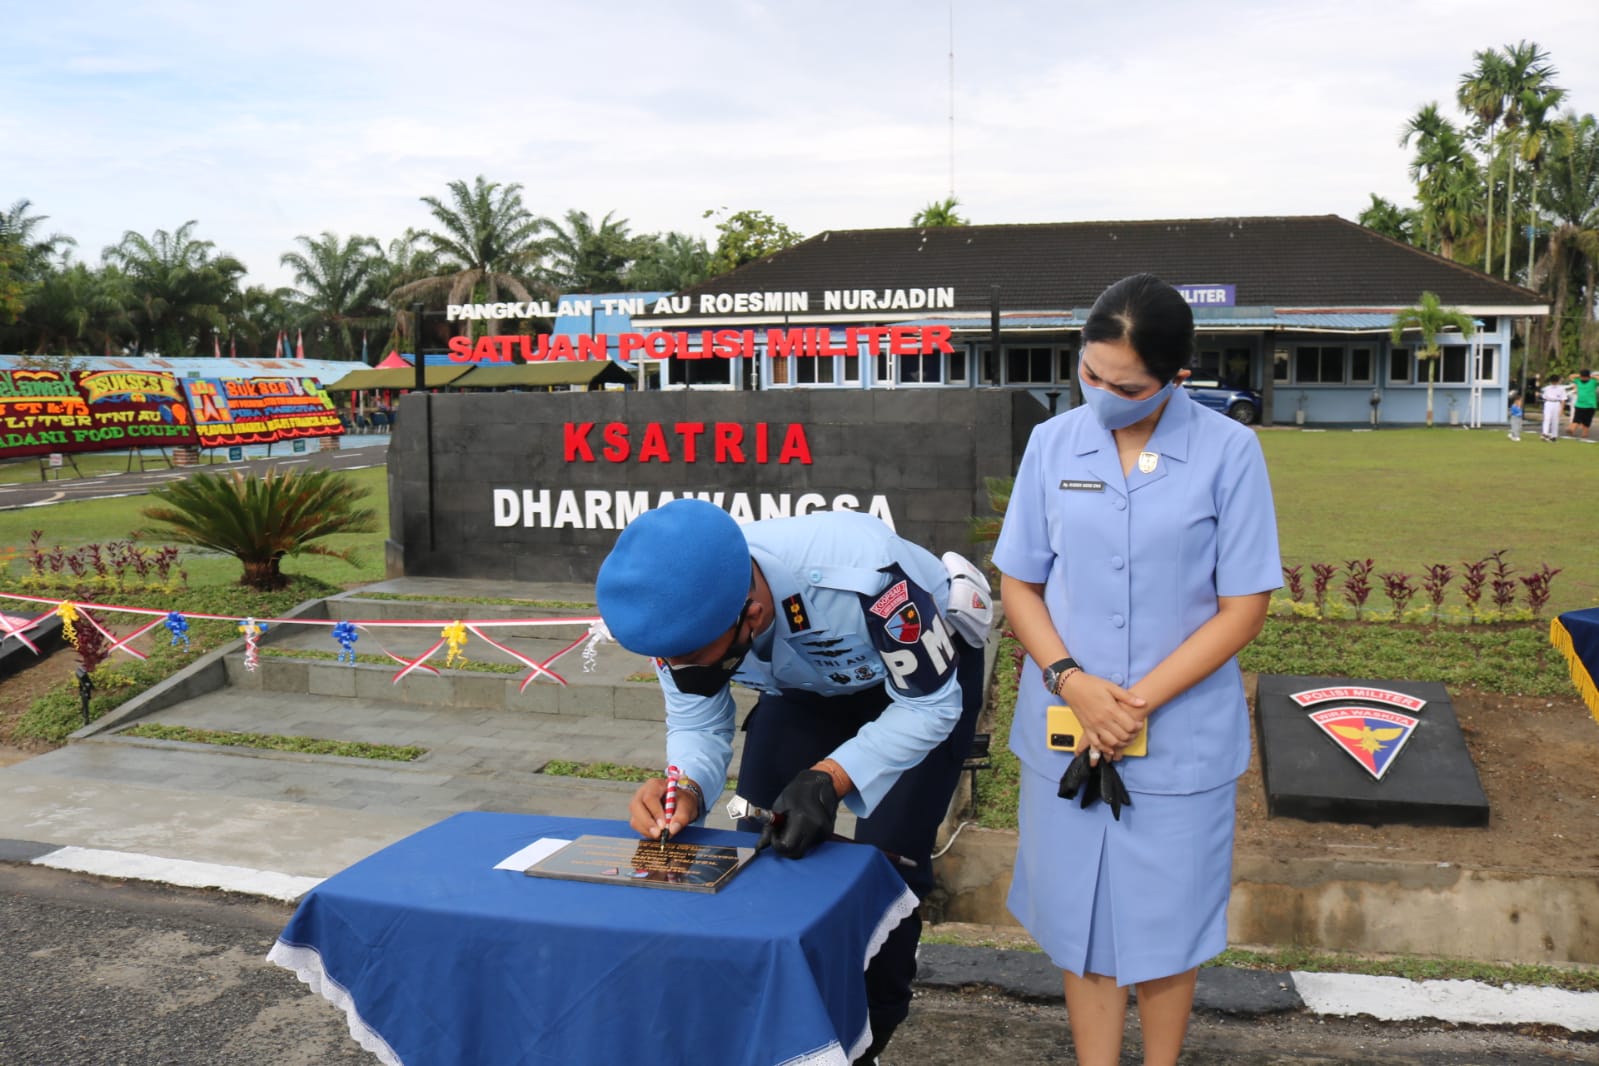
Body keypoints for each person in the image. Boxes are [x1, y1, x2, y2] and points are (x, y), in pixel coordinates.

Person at [992, 274, 1281, 1066]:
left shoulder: (1229, 451)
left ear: (1177, 377)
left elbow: (1243, 606)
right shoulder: (1054, 444)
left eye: (1128, 387)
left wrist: (1133, 703)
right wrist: (1072, 682)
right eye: (1089, 375)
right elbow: (1019, 581)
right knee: (1078, 921)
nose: (1103, 395)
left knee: (1162, 922)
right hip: (1064, 722)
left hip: (1176, 733)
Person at [595, 499, 989, 1065]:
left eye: (692, 659)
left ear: (749, 614)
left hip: (922, 686)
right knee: (759, 833)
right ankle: (770, 1015)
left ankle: (866, 1035)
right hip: (808, 684)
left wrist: (831, 776)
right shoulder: (681, 614)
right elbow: (696, 721)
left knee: (887, 867)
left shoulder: (867, 577)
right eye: (669, 661)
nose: (678, 670)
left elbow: (929, 707)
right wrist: (687, 790)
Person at [1568, 369, 1597, 442]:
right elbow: (1571, 376)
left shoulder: (1593, 382)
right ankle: (1571, 430)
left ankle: (1585, 433)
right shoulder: (1578, 381)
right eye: (1582, 377)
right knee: (1576, 419)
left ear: (1588, 376)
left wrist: (1591, 376)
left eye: (1584, 377)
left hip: (1590, 405)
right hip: (1579, 404)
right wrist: (1580, 375)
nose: (1583, 378)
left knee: (1586, 421)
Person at [1540, 373, 1568, 442]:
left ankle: (1554, 436)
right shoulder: (1547, 388)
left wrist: (1562, 409)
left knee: (1555, 420)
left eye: (1555, 381)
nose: (1554, 383)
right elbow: (1544, 397)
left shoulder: (1561, 389)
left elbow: (1563, 399)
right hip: (1549, 403)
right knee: (1547, 418)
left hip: (1556, 403)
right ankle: (1545, 433)